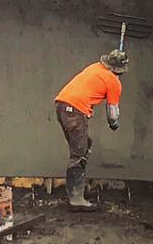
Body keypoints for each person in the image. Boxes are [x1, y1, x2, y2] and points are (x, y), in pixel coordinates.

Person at [53, 50, 126, 211]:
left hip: (61, 106)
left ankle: (78, 190)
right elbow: (112, 114)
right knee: (79, 153)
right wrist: (114, 124)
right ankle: (76, 199)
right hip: (75, 110)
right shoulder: (113, 82)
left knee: (85, 144)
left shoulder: (95, 68)